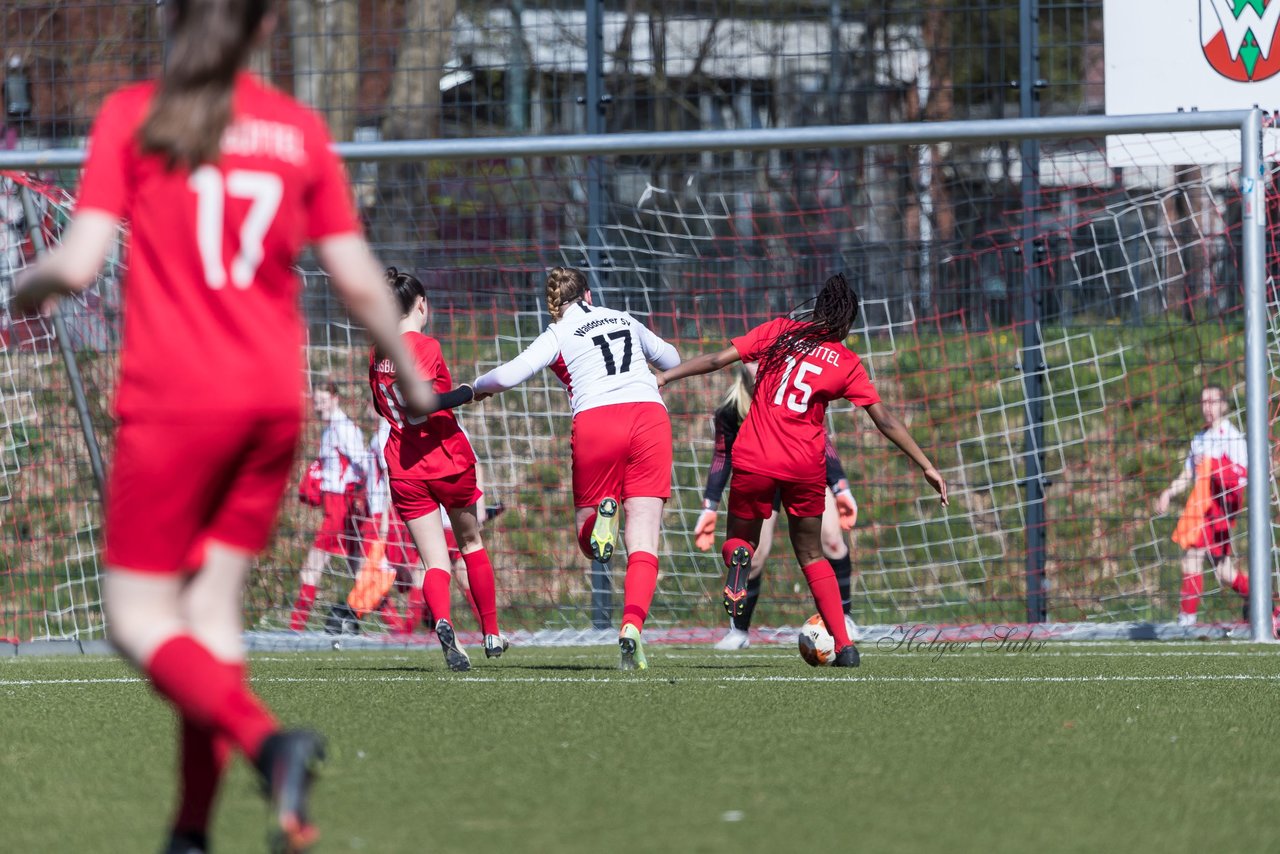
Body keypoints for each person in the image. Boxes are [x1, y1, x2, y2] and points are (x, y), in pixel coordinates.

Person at [10, 2, 437, 851]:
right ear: (269, 25)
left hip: (175, 402)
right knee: (207, 616)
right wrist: (412, 370)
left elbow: (82, 260)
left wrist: (26, 285)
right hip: (270, 403)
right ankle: (191, 830)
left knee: (136, 621)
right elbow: (354, 277)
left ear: (171, 15)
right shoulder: (297, 130)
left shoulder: (136, 114)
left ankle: (267, 743)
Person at [658, 273, 947, 667]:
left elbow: (715, 360)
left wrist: (666, 375)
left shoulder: (779, 331)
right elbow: (885, 420)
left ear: (817, 306)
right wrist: (927, 465)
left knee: (740, 543)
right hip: (805, 466)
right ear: (846, 322)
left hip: (756, 457)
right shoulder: (846, 361)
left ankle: (739, 559)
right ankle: (845, 647)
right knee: (812, 554)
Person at [471, 266, 680, 670]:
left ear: (554, 306)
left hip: (597, 421)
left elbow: (511, 374)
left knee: (591, 546)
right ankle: (632, 627)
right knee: (644, 539)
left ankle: (601, 518)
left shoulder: (558, 333)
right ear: (588, 295)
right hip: (650, 416)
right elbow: (670, 357)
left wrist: (477, 387)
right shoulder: (623, 318)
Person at [369, 266, 507, 672]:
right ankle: (492, 632)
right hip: (445, 460)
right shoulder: (423, 346)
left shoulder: (378, 350)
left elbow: (382, 406)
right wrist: (469, 391)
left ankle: (444, 622)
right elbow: (422, 405)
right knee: (471, 543)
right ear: (421, 305)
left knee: (434, 563)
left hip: (403, 466)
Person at [694, 362, 860, 650]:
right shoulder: (731, 412)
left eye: (763, 360)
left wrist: (841, 487)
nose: (757, 367)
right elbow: (723, 457)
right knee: (752, 556)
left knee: (832, 541)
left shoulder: (794, 396)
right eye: (751, 360)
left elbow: (821, 439)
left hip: (803, 473)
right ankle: (738, 631)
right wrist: (710, 505)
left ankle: (844, 619)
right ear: (741, 368)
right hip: (761, 479)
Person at [1153, 383, 1266, 627]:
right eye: (1204, 402)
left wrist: (1216, 466)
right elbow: (1188, 474)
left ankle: (1186, 621)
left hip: (1219, 510)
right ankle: (1266, 605)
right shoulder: (1200, 439)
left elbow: (1243, 474)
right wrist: (1168, 493)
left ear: (1224, 405)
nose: (1208, 407)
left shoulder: (1233, 437)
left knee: (1193, 558)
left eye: (1213, 401)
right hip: (1200, 507)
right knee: (1224, 573)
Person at [291, 382, 368, 631]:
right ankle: (400, 627)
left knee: (311, 569)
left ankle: (295, 628)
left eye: (323, 399)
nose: (318, 405)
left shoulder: (343, 429)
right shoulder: (330, 429)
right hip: (336, 506)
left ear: (335, 398)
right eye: (316, 400)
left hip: (341, 507)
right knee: (359, 570)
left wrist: (355, 495)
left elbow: (363, 465)